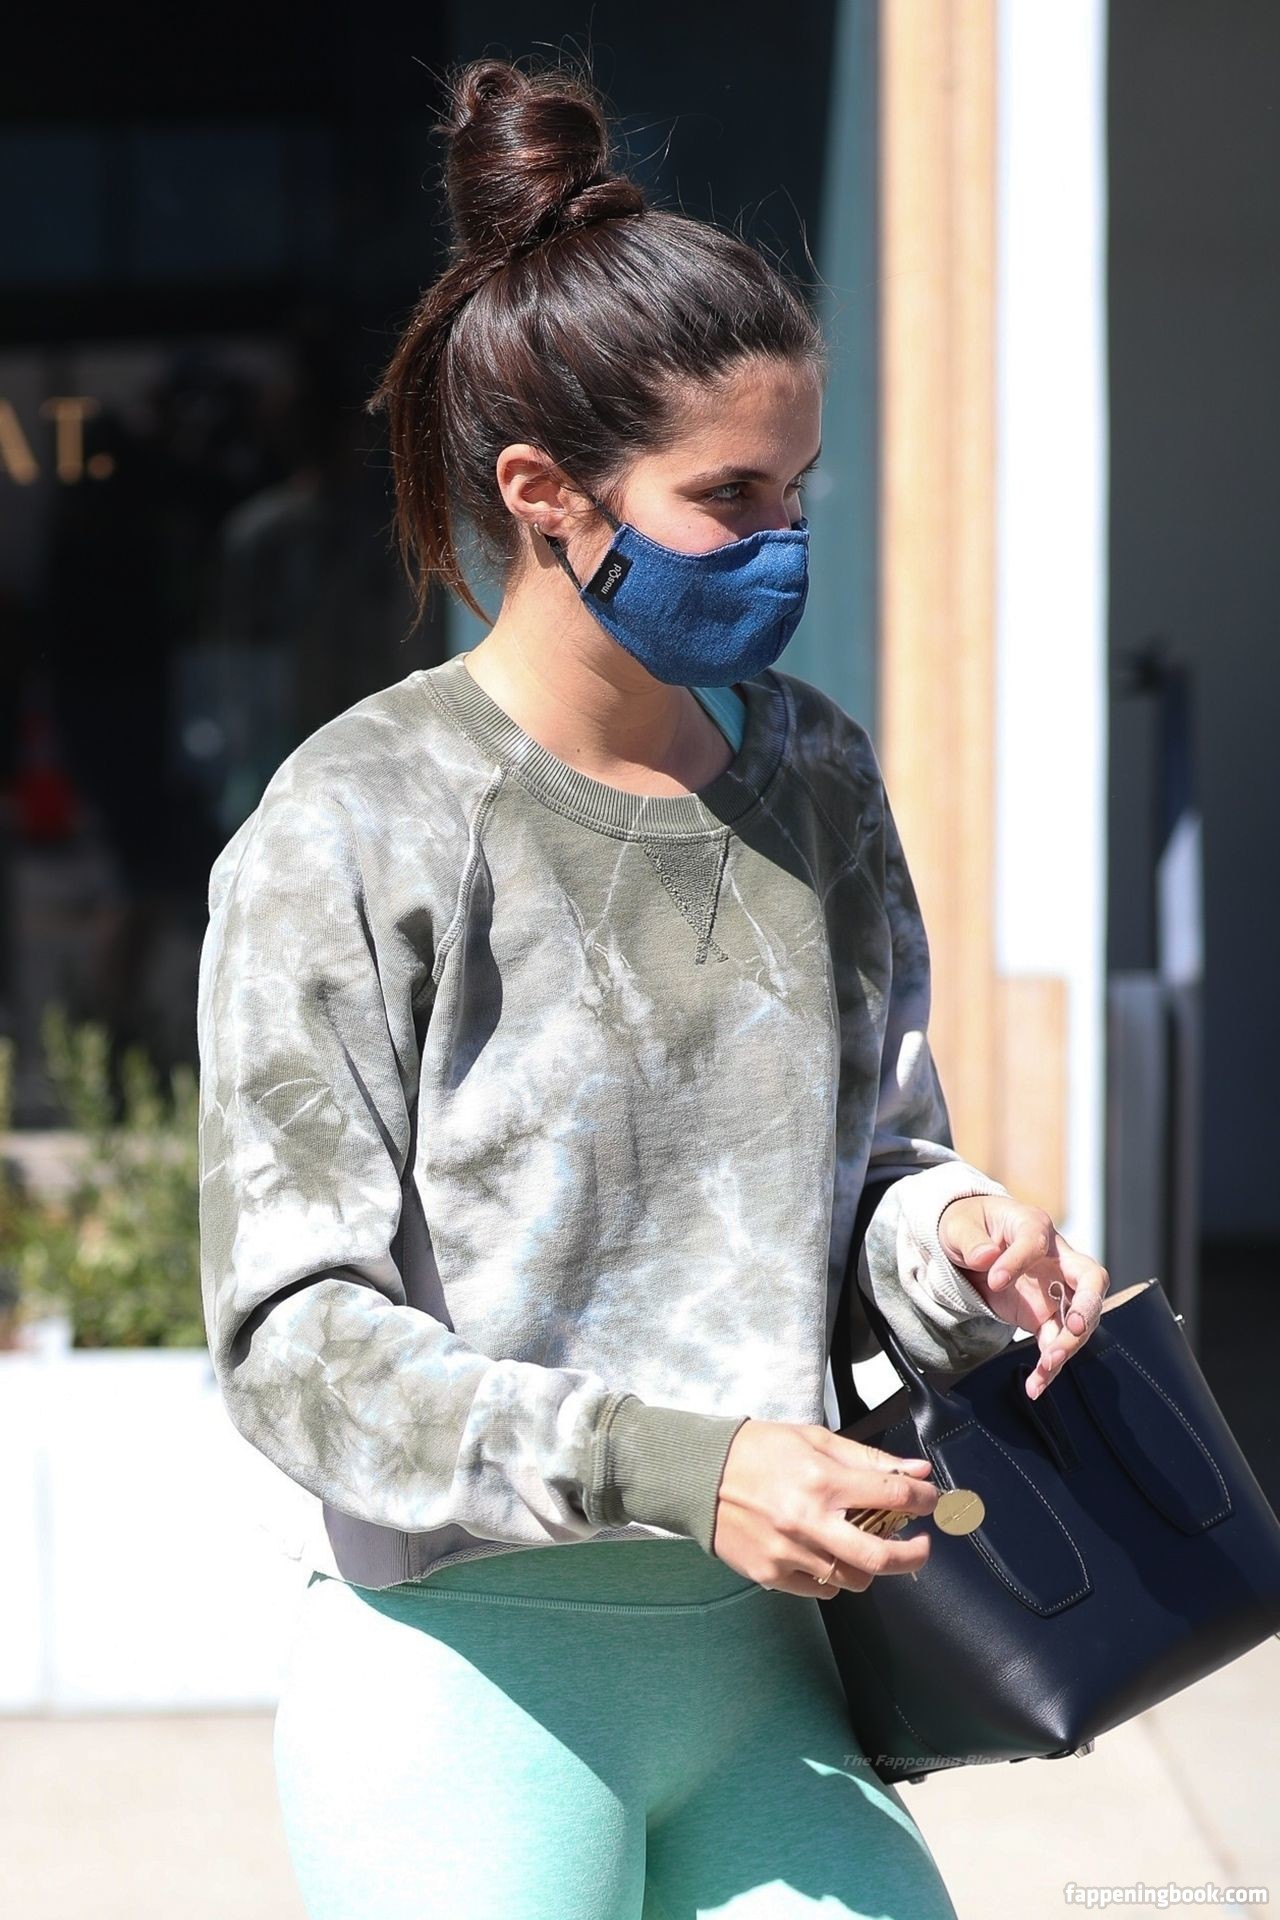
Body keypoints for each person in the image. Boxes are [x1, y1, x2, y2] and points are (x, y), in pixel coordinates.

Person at [195, 53, 1110, 1920]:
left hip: (771, 1668)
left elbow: (870, 1168)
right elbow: (292, 1344)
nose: (786, 539)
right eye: (731, 495)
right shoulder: (359, 820)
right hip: (467, 1694)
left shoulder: (813, 772)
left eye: (801, 486)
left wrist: (960, 1242)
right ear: (546, 493)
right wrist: (688, 1468)